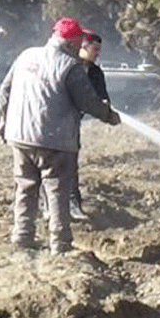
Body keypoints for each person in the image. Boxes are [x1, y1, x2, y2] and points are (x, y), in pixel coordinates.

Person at [0, 17, 121, 255]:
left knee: (25, 186)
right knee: (57, 190)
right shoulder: (69, 66)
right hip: (53, 139)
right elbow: (87, 102)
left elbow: (5, 89)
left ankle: (22, 236)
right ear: (73, 41)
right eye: (79, 41)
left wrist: (4, 120)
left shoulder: (26, 56)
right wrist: (109, 116)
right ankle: (60, 243)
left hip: (20, 136)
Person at [69, 31, 109, 220]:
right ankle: (49, 206)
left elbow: (102, 97)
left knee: (70, 164)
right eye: (95, 49)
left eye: (99, 49)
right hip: (55, 123)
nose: (98, 53)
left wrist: (105, 108)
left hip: (72, 125)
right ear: (83, 46)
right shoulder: (68, 66)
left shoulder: (95, 72)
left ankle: (73, 204)